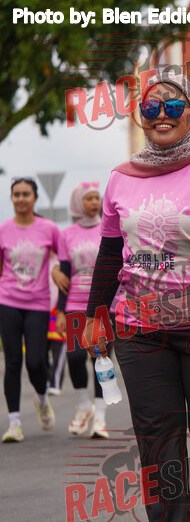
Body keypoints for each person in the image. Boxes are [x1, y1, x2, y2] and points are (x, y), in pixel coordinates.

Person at [81, 71, 190, 522]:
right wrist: (94, 316)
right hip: (139, 328)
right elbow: (110, 252)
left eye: (174, 106)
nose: (162, 115)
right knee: (157, 439)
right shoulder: (121, 177)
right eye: (151, 107)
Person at [51, 182, 112, 438]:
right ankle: (84, 406)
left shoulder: (109, 227)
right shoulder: (66, 234)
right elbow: (64, 274)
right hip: (75, 306)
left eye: (97, 198)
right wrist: (60, 311)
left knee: (100, 358)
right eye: (89, 198)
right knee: (75, 358)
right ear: (78, 202)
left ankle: (100, 418)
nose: (94, 202)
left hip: (102, 305)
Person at [0, 178, 59, 442]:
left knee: (36, 361)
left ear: (35, 198)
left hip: (38, 303)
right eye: (16, 194)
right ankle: (14, 423)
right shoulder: (3, 230)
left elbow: (63, 258)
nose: (21, 199)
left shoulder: (49, 229)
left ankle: (42, 398)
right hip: (8, 301)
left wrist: (58, 273)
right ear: (11, 198)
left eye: (26, 194)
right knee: (13, 361)